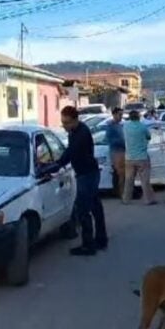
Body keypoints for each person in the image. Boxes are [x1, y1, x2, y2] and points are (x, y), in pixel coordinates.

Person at [55, 106, 108, 256]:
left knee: (84, 210)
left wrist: (56, 165)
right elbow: (70, 151)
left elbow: (71, 152)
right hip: (88, 173)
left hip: (87, 175)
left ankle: (88, 245)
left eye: (67, 123)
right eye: (63, 123)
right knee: (96, 207)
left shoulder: (82, 133)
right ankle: (101, 239)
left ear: (75, 120)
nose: (65, 126)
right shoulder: (74, 132)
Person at [122, 110, 156, 205]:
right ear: (138, 117)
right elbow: (149, 137)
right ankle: (149, 199)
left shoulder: (126, 126)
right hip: (142, 157)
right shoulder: (142, 127)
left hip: (129, 157)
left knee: (128, 180)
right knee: (144, 180)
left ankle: (126, 199)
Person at [105, 107, 126, 199]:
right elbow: (109, 139)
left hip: (122, 151)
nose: (121, 116)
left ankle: (122, 192)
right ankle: (120, 193)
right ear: (114, 114)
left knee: (122, 173)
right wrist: (122, 142)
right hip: (116, 151)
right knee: (119, 173)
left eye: (122, 114)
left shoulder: (120, 125)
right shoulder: (110, 125)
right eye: (119, 114)